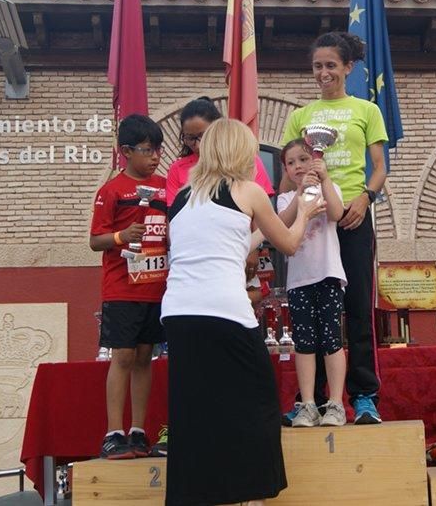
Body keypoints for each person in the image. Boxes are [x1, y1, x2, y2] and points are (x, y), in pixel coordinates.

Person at [161, 118, 325, 506]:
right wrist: (304, 211)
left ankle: (200, 495)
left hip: (180, 313)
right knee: (259, 401)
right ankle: (251, 494)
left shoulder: (184, 196)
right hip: (224, 310)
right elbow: (287, 243)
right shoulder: (248, 190)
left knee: (195, 409)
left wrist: (289, 215)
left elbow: (242, 239)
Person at [280, 31, 388, 425]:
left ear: (348, 68)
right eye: (317, 66)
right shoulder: (300, 116)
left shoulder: (367, 110)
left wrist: (364, 199)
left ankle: (362, 396)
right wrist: (285, 215)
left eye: (330, 65)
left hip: (352, 218)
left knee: (357, 307)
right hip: (312, 223)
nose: (323, 72)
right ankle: (312, 399)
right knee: (310, 311)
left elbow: (379, 168)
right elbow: (289, 169)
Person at [89, 114, 167, 459]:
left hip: (156, 287)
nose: (155, 157)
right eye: (148, 150)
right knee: (121, 355)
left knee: (144, 356)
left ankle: (138, 429)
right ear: (125, 151)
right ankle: (113, 432)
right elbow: (95, 240)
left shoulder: (166, 187)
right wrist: (122, 236)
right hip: (122, 288)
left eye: (158, 150)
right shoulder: (111, 191)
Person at [277, 139, 348, 427]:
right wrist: (298, 192)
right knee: (304, 343)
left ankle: (336, 403)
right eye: (291, 163)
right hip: (299, 280)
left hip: (328, 274)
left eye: (303, 160)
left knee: (332, 341)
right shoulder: (285, 197)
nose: (298, 167)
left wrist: (326, 179)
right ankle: (307, 404)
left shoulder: (328, 188)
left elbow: (336, 213)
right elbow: (282, 222)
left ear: (315, 160)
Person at [165, 96, 274, 206]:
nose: (198, 145)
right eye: (190, 138)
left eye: (204, 136)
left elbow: (264, 208)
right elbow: (173, 214)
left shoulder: (247, 160)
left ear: (218, 130)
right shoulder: (177, 168)